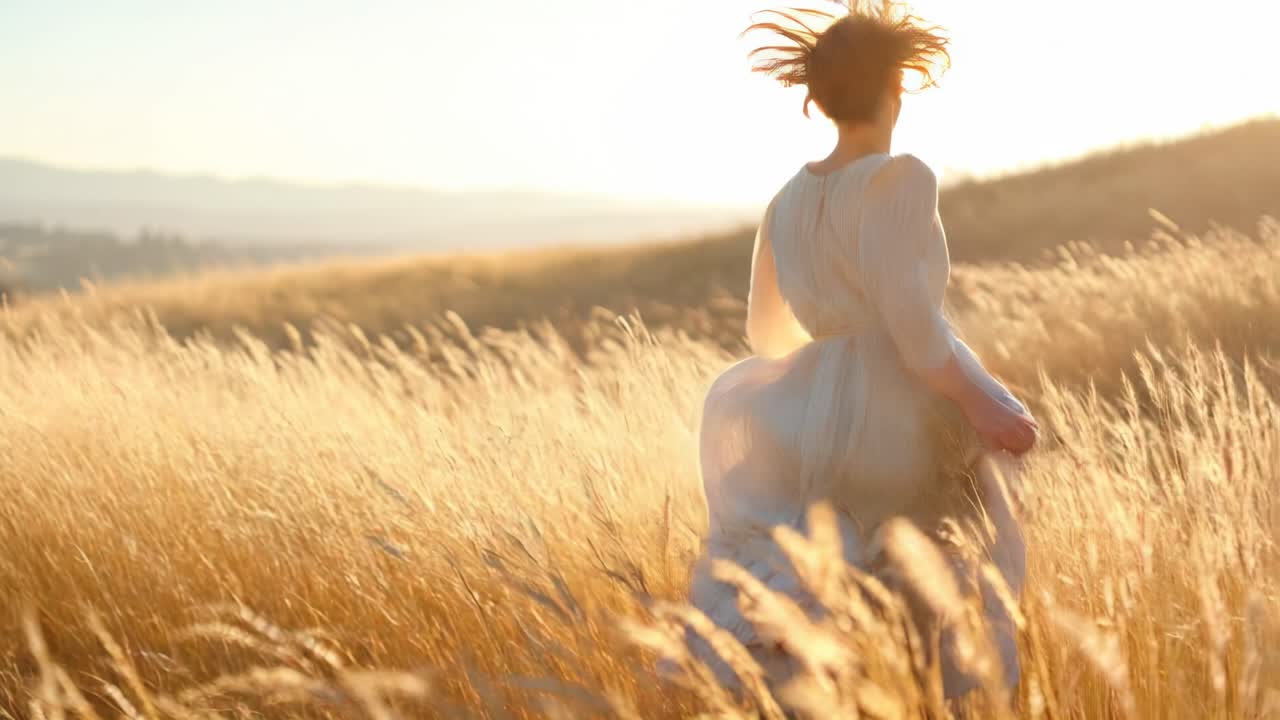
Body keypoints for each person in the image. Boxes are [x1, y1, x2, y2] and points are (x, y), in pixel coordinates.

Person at [688, 3, 1039, 701]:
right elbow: (913, 325)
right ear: (895, 90)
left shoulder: (786, 198)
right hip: (891, 406)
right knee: (944, 566)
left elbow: (766, 333)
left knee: (833, 576)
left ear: (816, 100)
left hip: (803, 410)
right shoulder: (900, 177)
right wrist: (980, 402)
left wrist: (823, 373)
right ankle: (942, 698)